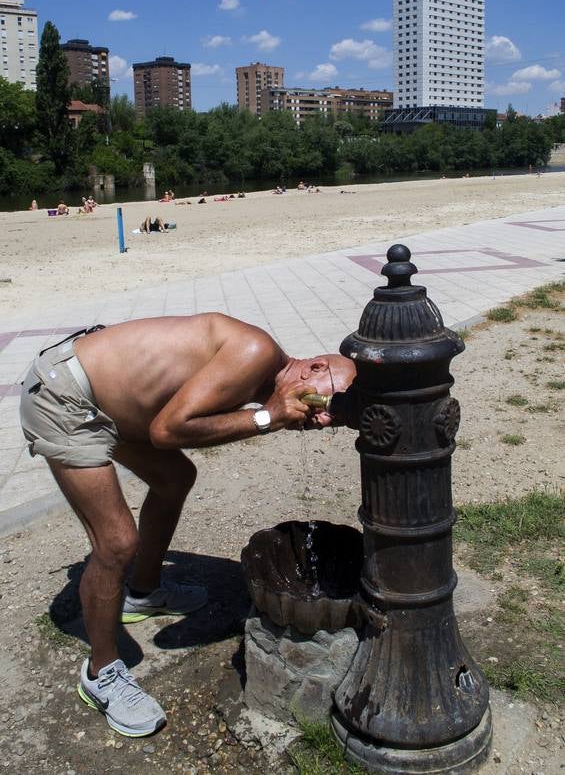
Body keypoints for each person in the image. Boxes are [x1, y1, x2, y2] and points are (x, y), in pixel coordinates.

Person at [20, 315, 356, 738]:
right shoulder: (257, 353)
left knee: (175, 478)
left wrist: (267, 414)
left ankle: (143, 594)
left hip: (105, 399)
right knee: (117, 543)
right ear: (314, 368)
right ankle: (101, 673)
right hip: (64, 398)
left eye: (332, 420)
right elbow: (167, 431)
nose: (322, 421)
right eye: (327, 405)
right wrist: (267, 418)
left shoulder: (259, 373)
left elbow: (173, 424)